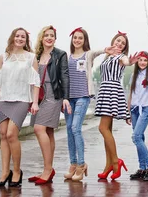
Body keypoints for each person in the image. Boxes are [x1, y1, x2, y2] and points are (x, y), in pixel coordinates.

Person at [0, 28, 40, 188]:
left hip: (22, 100)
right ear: (12, 38)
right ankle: (5, 172)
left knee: (12, 134)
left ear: (26, 40)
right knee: (3, 135)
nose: (19, 38)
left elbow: (35, 82)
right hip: (4, 100)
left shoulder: (31, 58)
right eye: (17, 36)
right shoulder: (3, 57)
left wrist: (35, 102)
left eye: (23, 37)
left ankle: (17, 171)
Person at [28, 26, 72, 185]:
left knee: (38, 128)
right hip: (39, 95)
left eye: (52, 35)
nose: (49, 38)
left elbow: (65, 76)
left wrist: (65, 97)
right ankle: (47, 169)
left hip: (53, 95)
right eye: (46, 35)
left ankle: (47, 170)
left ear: (55, 38)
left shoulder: (60, 54)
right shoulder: (37, 55)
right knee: (48, 131)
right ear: (41, 38)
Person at [64, 27, 104, 181]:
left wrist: (106, 49)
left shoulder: (88, 55)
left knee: (75, 128)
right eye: (75, 37)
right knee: (68, 129)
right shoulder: (67, 57)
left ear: (84, 40)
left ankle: (81, 164)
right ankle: (73, 164)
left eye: (80, 38)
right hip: (69, 98)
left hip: (83, 96)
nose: (77, 40)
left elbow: (96, 52)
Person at [94, 31, 133, 180]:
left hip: (112, 90)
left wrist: (130, 61)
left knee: (102, 128)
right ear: (113, 41)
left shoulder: (121, 57)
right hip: (104, 89)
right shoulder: (108, 56)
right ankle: (108, 165)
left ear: (124, 48)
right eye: (118, 41)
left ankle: (116, 161)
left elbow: (126, 62)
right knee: (107, 130)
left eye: (123, 43)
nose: (119, 44)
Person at [126, 51, 148, 181]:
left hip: (146, 109)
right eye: (140, 60)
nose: (142, 62)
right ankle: (142, 169)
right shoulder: (133, 76)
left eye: (145, 60)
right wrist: (127, 112)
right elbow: (131, 94)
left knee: (135, 137)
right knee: (139, 137)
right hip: (134, 110)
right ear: (137, 62)